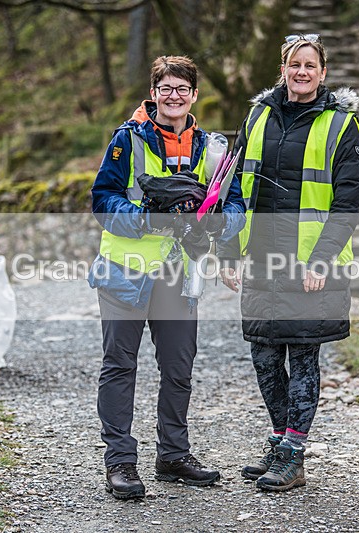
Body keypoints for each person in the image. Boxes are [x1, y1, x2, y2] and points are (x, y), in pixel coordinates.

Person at [88, 55, 245, 500]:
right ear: (154, 92)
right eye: (166, 88)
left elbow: (235, 206)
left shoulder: (213, 149)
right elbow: (102, 200)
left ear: (194, 95)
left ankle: (173, 454)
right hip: (126, 274)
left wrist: (218, 225)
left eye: (182, 89)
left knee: (178, 368)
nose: (173, 96)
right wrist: (143, 219)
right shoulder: (127, 140)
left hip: (180, 274)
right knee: (120, 366)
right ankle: (120, 462)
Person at [218, 33, 359, 491]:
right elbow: (232, 188)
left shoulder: (342, 125)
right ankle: (280, 440)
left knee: (302, 357)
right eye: (293, 64)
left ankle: (293, 455)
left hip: (310, 265)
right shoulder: (257, 115)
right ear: (281, 68)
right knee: (264, 356)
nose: (301, 72)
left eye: (310, 65)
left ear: (323, 73)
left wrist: (321, 260)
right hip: (260, 257)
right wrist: (227, 250)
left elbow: (347, 202)